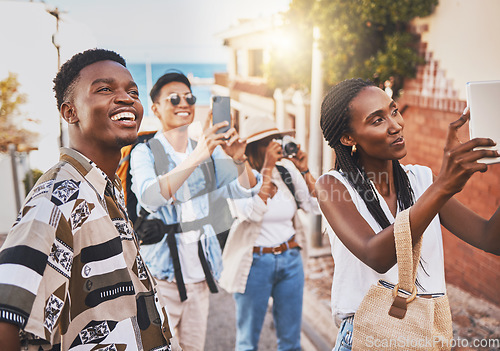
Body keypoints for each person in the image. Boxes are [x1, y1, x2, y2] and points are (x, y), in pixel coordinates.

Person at [0, 49, 174, 350]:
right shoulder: (58, 197)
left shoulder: (105, 190)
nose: (126, 98)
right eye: (105, 89)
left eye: (133, 91)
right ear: (70, 112)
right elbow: (6, 317)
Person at [315, 78, 500, 350]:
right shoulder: (333, 187)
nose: (396, 125)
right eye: (377, 120)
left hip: (426, 334)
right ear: (348, 137)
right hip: (368, 336)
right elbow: (375, 254)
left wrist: (439, 187)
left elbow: (490, 239)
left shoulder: (423, 180)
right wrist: (443, 187)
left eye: (394, 111)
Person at [129, 72, 261, 351]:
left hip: (200, 280)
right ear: (155, 109)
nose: (184, 103)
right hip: (160, 280)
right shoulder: (145, 152)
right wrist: (199, 153)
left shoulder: (210, 153)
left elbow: (244, 193)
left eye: (189, 98)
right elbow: (151, 197)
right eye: (173, 98)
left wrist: (239, 158)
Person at [219, 116, 320, 351]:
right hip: (255, 263)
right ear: (255, 146)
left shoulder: (286, 172)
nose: (277, 145)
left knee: (291, 343)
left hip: (290, 259)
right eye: (269, 141)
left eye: (278, 139)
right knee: (247, 343)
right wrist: (266, 171)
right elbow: (251, 213)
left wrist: (304, 169)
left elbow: (317, 205)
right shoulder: (238, 176)